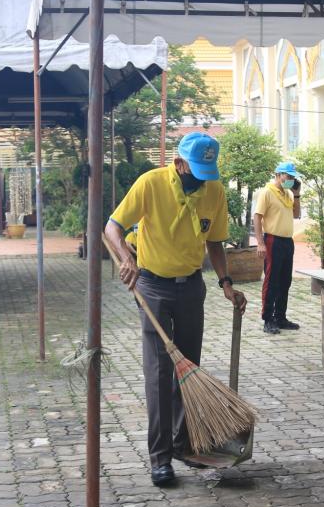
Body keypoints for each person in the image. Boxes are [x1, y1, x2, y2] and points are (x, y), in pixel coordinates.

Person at [105, 132, 248, 487]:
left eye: (206, 172)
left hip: (191, 287)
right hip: (153, 286)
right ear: (179, 162)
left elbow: (215, 242)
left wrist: (226, 283)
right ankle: (160, 458)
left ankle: (184, 444)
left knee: (188, 369)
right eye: (196, 171)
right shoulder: (150, 184)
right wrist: (126, 259)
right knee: (159, 372)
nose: (201, 179)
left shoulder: (213, 190)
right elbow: (112, 227)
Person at [253, 162, 302, 334]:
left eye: (292, 177)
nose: (291, 179)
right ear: (278, 175)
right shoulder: (267, 192)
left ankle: (280, 317)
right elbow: (257, 217)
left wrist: (297, 195)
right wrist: (260, 243)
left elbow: (296, 214)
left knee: (285, 281)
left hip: (287, 241)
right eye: (288, 176)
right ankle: (268, 319)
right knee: (272, 280)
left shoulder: (288, 193)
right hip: (273, 240)